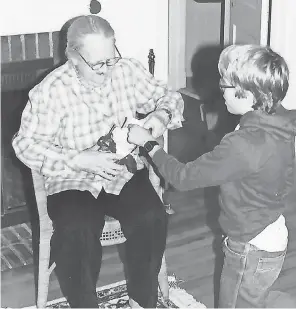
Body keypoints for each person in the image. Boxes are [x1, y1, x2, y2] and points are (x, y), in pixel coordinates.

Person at [12, 15, 184, 308]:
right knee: (76, 230)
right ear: (73, 57)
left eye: (111, 58)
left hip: (123, 171)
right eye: (96, 64)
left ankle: (141, 301)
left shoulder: (126, 70)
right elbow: (24, 143)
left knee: (151, 217)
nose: (107, 70)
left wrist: (160, 116)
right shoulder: (52, 90)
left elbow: (169, 96)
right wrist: (77, 158)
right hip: (71, 177)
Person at [127, 44, 296, 308]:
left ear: (248, 94)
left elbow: (182, 177)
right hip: (271, 232)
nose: (220, 92)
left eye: (224, 86)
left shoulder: (244, 144)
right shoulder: (281, 120)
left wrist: (149, 144)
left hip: (249, 246)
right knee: (254, 298)